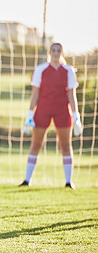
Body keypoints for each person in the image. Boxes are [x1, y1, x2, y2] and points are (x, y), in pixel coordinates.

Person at [21, 42, 82, 189]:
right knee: (36, 144)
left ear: (62, 53)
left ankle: (68, 182)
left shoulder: (68, 71)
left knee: (66, 145)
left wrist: (76, 115)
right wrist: (30, 113)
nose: (55, 53)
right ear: (50, 52)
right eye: (53, 50)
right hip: (43, 110)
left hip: (62, 110)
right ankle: (27, 180)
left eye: (58, 50)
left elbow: (71, 95)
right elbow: (35, 94)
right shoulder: (40, 70)